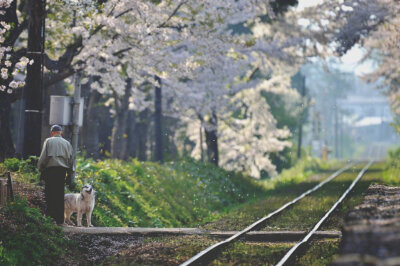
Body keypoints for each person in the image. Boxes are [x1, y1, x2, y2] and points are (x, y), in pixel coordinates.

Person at [37, 125, 74, 224]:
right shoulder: (67, 143)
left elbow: (43, 157)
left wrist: (40, 168)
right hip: (61, 172)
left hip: (50, 171)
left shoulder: (48, 141)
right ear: (60, 133)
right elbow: (71, 161)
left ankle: (50, 218)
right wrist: (70, 174)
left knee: (49, 193)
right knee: (59, 194)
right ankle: (60, 219)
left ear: (52, 133)